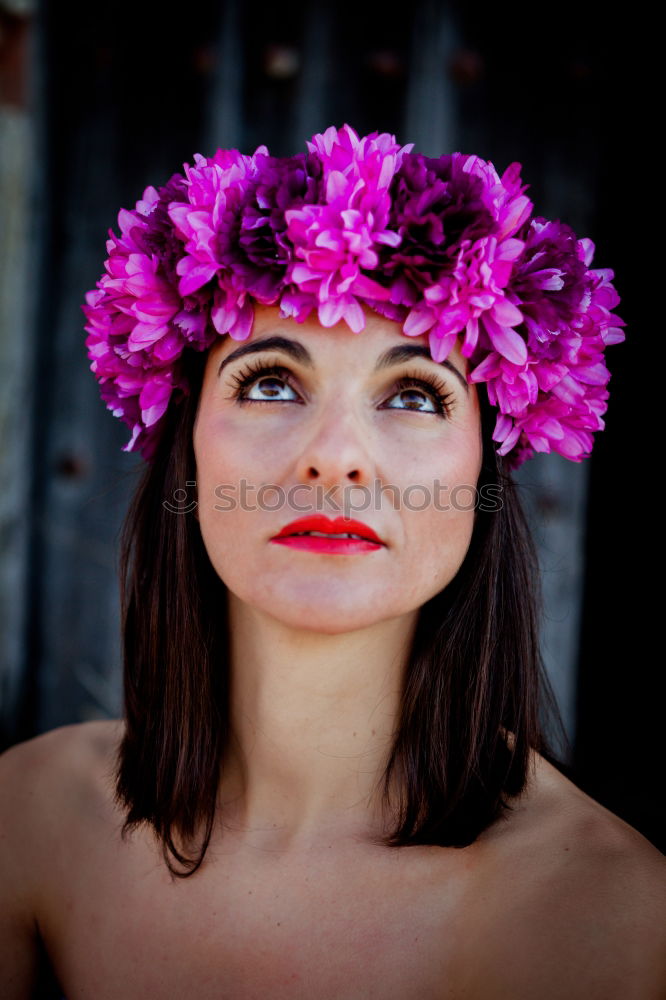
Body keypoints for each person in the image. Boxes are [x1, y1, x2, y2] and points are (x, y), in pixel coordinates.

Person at [1, 125, 664, 999]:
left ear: (481, 471)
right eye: (272, 382)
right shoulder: (29, 818)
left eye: (416, 392)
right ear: (186, 448)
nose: (337, 458)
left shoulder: (609, 915)